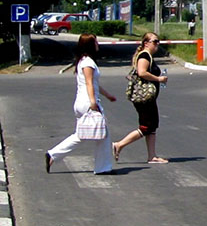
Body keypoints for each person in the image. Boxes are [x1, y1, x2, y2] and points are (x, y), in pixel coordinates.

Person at [46, 34, 117, 174]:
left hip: (81, 103)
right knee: (103, 135)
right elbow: (90, 83)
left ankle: (52, 155)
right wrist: (93, 102)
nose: (98, 44)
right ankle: (103, 168)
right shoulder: (88, 63)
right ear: (90, 45)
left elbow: (94, 84)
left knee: (81, 135)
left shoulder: (83, 61)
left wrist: (108, 95)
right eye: (95, 42)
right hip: (87, 102)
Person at [113, 33, 170, 163]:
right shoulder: (144, 55)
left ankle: (152, 156)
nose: (157, 44)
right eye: (155, 41)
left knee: (152, 125)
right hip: (144, 97)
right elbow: (142, 72)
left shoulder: (148, 56)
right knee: (146, 126)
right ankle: (119, 145)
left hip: (149, 97)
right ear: (146, 43)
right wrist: (158, 79)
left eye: (158, 41)